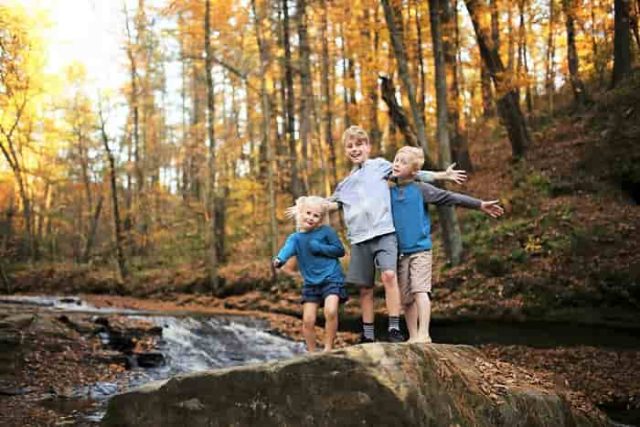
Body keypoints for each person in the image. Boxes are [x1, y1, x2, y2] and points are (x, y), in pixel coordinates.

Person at [329, 125, 466, 343]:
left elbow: (413, 172)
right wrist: (308, 208)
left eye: (359, 144)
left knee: (389, 276)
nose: (355, 149)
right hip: (359, 238)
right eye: (350, 146)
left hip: (384, 232)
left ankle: (394, 328)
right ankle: (368, 333)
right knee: (365, 288)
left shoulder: (380, 166)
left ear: (368, 146)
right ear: (345, 150)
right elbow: (331, 204)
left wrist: (442, 175)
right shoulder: (345, 184)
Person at [389, 146, 504, 343]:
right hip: (400, 253)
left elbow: (450, 198)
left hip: (420, 250)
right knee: (406, 299)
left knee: (420, 290)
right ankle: (413, 336)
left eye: (403, 162)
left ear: (415, 171)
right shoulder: (388, 189)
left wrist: (479, 204)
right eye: (396, 159)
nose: (397, 163)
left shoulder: (421, 189)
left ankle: (424, 334)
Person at [273, 196, 348, 352]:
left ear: (321, 219)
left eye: (316, 216)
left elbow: (340, 251)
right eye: (308, 213)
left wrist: (320, 247)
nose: (311, 218)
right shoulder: (296, 238)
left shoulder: (326, 232)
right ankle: (313, 353)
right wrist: (280, 259)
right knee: (308, 320)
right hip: (311, 282)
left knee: (331, 310)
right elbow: (287, 249)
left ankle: (328, 348)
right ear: (301, 213)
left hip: (331, 277)